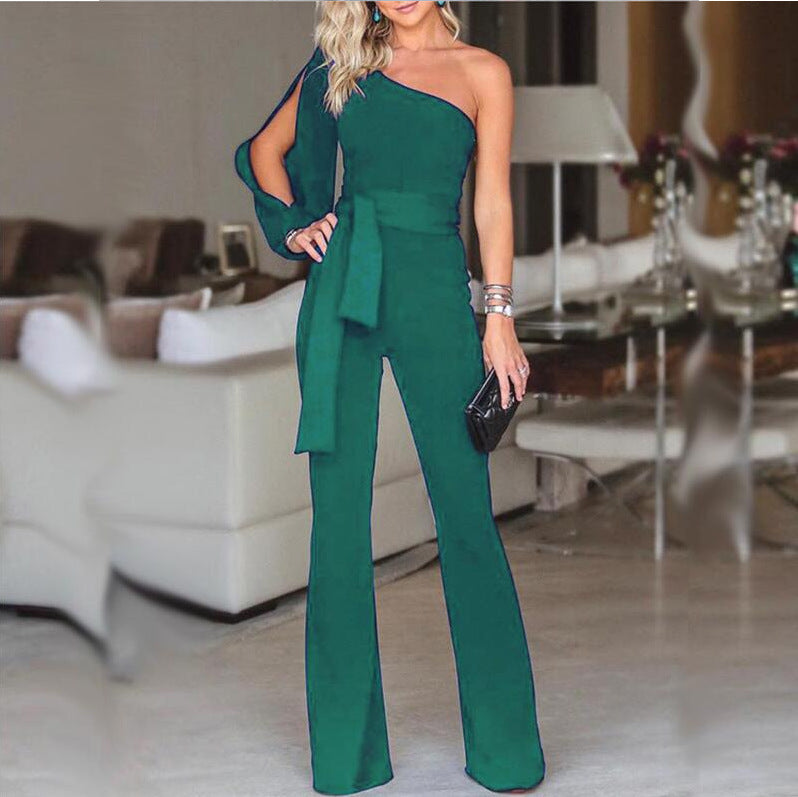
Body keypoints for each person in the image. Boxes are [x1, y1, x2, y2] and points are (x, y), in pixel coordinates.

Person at [234, 2, 544, 794]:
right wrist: (295, 224)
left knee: (466, 514)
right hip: (344, 287)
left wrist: (498, 317)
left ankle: (506, 753)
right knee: (338, 523)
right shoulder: (342, 61)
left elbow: (493, 202)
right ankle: (347, 759)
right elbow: (263, 151)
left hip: (435, 289)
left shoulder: (483, 73)